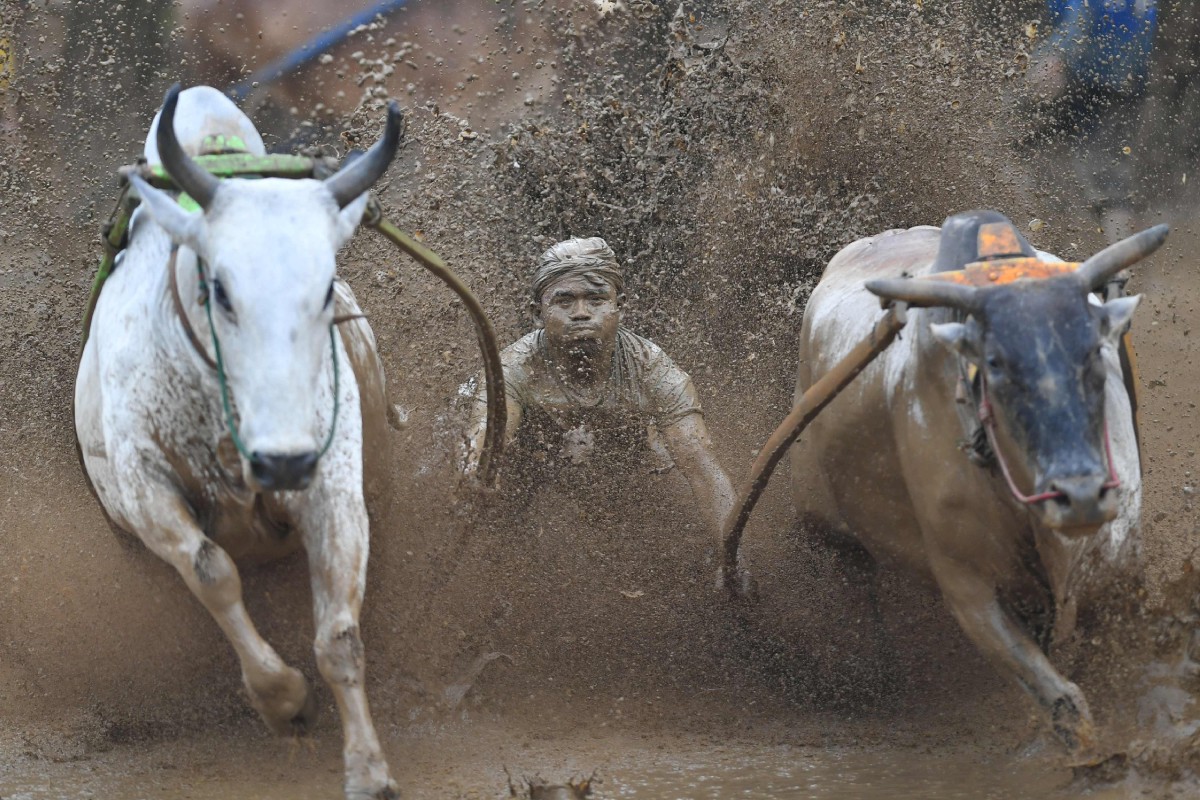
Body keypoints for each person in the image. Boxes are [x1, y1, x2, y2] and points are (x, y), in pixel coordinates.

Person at [461, 236, 735, 565]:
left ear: (620, 305)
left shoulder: (653, 369)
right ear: (538, 312)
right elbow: (481, 452)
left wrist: (734, 556)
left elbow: (703, 470)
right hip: (531, 460)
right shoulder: (514, 370)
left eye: (596, 299)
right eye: (564, 302)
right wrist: (472, 479)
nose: (581, 313)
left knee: (672, 486)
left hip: (624, 463)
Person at [1026, 0, 1159, 240]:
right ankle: (1119, 259)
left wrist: (1054, 56)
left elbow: (1078, 21)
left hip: (1084, 83)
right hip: (1128, 83)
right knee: (1110, 175)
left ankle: (1049, 242)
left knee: (1037, 154)